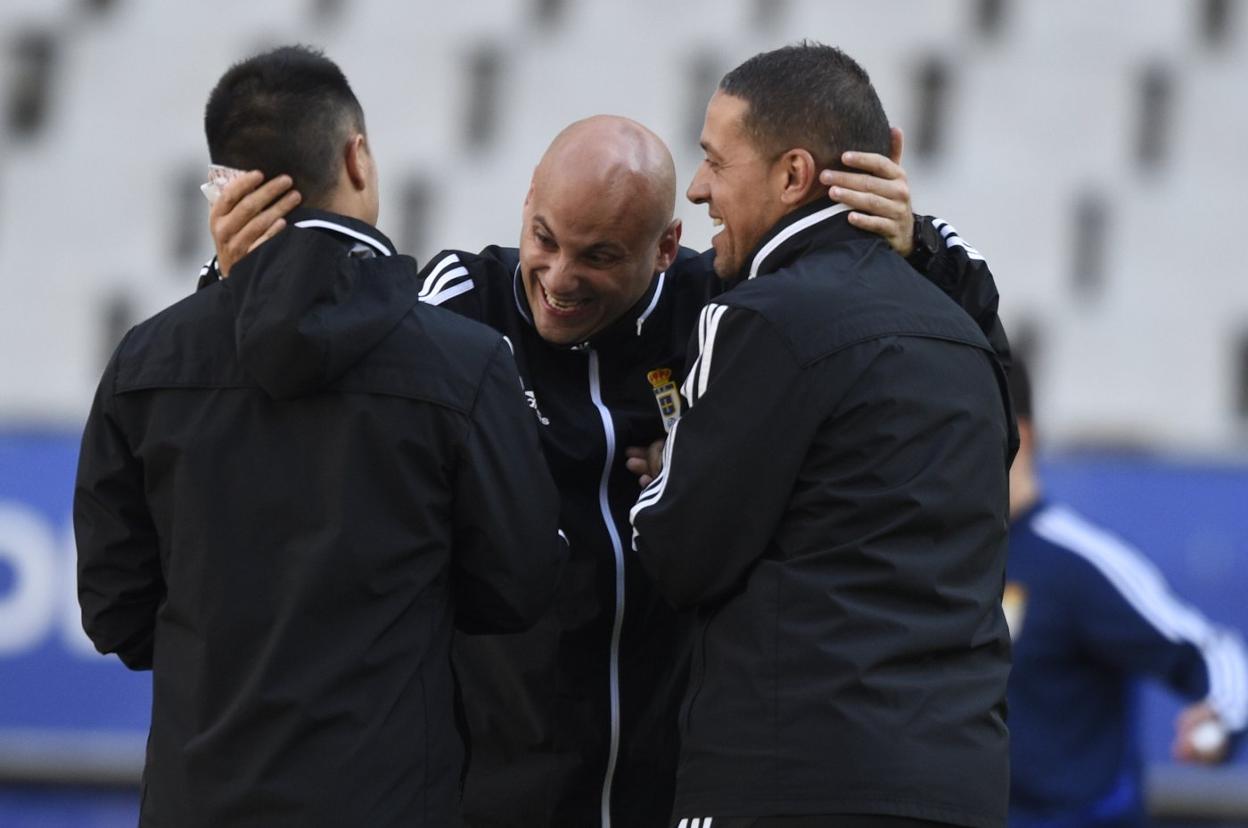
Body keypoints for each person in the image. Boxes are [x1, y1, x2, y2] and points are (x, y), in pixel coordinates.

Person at [209, 116, 1007, 827]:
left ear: (665, 249)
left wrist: (921, 246)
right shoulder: (461, 306)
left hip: (678, 791)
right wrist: (232, 284)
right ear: (525, 204)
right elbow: (305, 367)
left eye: (599, 257)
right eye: (545, 238)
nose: (558, 279)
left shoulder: (727, 313)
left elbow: (919, 352)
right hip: (495, 794)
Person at [73, 45, 565, 827]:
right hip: (389, 798)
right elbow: (522, 585)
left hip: (197, 801)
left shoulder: (147, 362)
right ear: (358, 158)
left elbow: (116, 611)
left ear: (226, 189)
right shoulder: (463, 364)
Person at [629, 43, 1015, 828]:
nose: (698, 190)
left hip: (793, 780)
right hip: (959, 788)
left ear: (792, 175)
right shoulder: (962, 334)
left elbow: (680, 550)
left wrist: (667, 470)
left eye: (714, 162)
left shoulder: (762, 319)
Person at [1004, 357, 1248, 828]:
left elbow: (1213, 651)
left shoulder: (1079, 562)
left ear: (1019, 437)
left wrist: (1221, 720)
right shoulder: (940, 559)